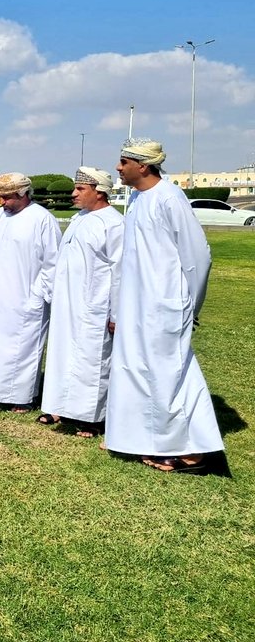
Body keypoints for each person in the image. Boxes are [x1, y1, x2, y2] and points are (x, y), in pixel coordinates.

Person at [106, 138, 223, 473]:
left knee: (170, 375)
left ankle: (192, 451)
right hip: (138, 305)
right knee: (141, 373)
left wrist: (190, 305)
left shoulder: (170, 198)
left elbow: (198, 256)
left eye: (123, 161)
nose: (118, 167)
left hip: (164, 305)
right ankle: (145, 439)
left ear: (142, 166)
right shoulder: (140, 200)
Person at [0, 172, 60, 410]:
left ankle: (22, 398)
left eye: (7, 197)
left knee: (23, 349)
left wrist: (41, 295)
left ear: (23, 194)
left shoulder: (42, 219)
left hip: (28, 296)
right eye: (0, 197)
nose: (2, 202)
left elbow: (54, 262)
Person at [38, 167, 124, 436]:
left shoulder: (114, 224)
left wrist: (116, 313)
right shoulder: (79, 219)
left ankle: (92, 417)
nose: (74, 193)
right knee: (62, 356)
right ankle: (60, 406)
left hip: (94, 306)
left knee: (92, 360)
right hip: (67, 304)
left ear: (99, 192)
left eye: (80, 189)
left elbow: (120, 271)